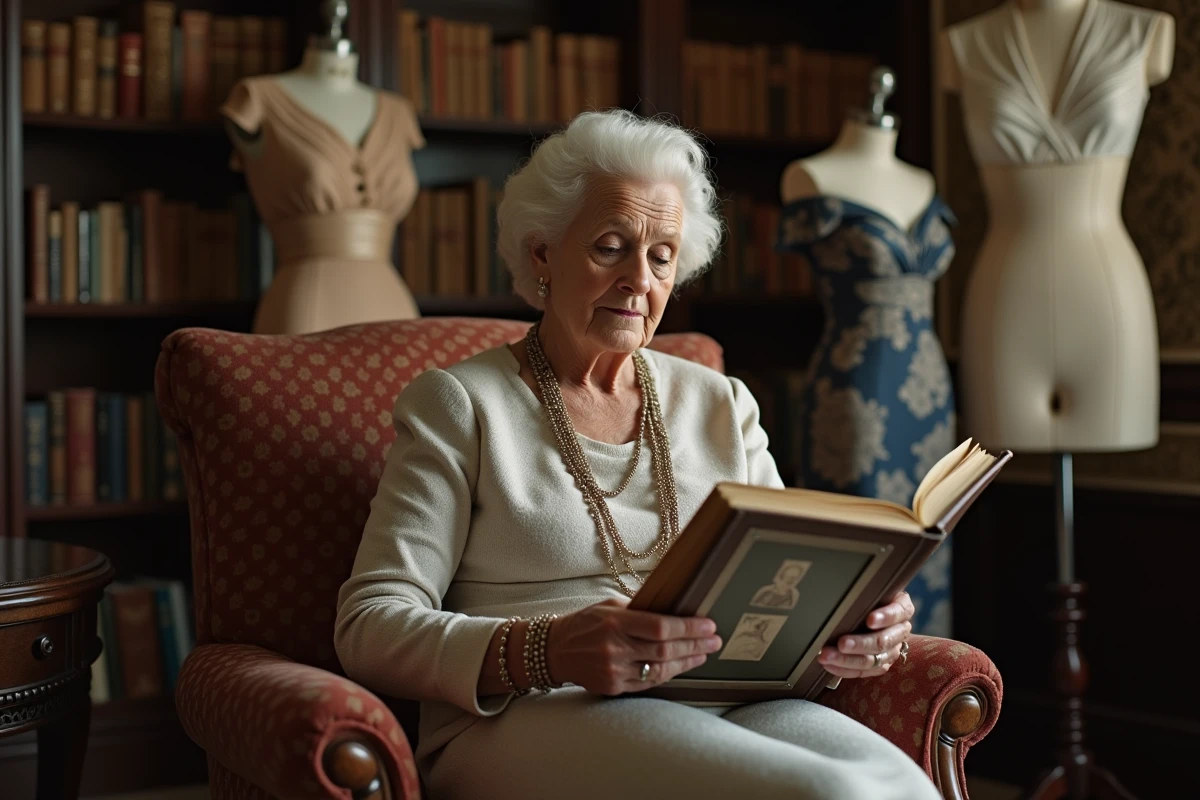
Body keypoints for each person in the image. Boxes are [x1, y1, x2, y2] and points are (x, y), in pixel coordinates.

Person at [334, 109, 937, 800]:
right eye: (610, 246)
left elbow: (791, 578)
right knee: (829, 796)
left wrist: (858, 622)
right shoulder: (461, 405)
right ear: (542, 254)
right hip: (532, 711)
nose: (638, 281)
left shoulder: (722, 403)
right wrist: (547, 648)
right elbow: (369, 625)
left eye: (661, 256)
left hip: (727, 699)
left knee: (905, 788)